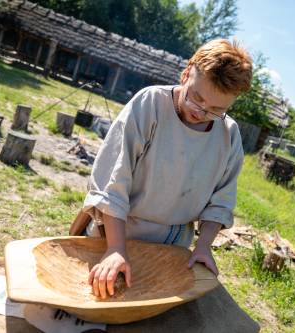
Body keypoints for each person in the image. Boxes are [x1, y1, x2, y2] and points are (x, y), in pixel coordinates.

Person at [82, 39, 253, 299]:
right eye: (196, 98)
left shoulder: (229, 135)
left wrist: (203, 247)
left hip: (174, 246)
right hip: (116, 233)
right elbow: (113, 181)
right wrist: (116, 249)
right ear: (186, 74)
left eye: (216, 110)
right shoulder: (150, 104)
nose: (201, 112)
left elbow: (221, 201)